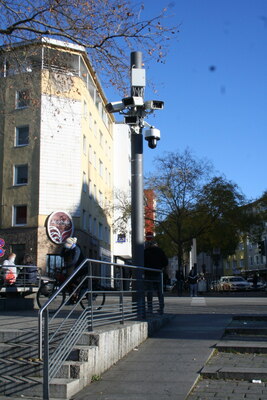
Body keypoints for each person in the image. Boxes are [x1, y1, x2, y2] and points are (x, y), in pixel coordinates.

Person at [144, 241, 168, 314]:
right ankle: (161, 308)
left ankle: (150, 308)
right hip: (158, 273)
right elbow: (166, 262)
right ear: (156, 245)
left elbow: (142, 262)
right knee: (160, 292)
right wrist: (161, 267)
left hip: (148, 273)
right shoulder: (160, 251)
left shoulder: (146, 251)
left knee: (149, 291)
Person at [61, 237, 84, 303]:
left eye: (66, 244)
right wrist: (63, 248)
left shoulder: (76, 248)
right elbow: (61, 255)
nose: (65, 245)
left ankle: (79, 292)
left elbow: (75, 261)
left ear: (70, 244)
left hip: (82, 268)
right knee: (69, 282)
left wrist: (66, 267)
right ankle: (72, 298)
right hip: (76, 268)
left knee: (71, 281)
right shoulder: (70, 249)